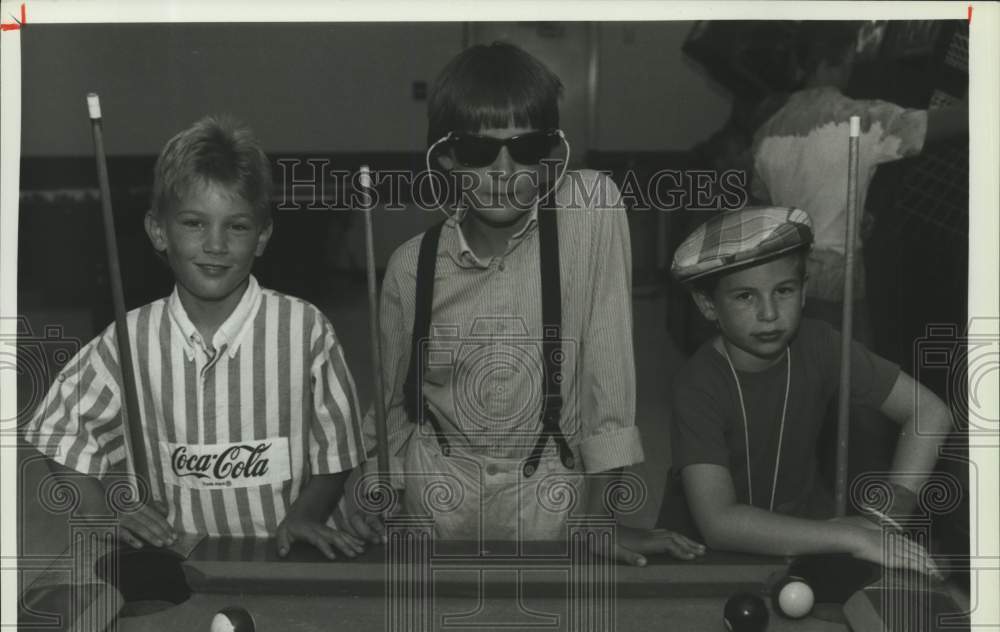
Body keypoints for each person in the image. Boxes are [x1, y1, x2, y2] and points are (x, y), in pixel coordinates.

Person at [349, 42, 703, 565]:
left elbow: (609, 376)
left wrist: (601, 516)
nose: (503, 169)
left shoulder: (591, 211)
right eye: (477, 151)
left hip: (550, 509)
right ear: (445, 157)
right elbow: (398, 402)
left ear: (549, 157)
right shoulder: (410, 266)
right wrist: (376, 484)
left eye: (526, 148)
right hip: (436, 511)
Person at [24, 116, 367, 559]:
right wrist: (99, 514)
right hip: (178, 563)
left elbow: (336, 451)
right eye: (194, 224)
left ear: (262, 236)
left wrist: (308, 514)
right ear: (158, 231)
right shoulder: (129, 340)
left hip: (287, 558)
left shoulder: (306, 330)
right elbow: (57, 430)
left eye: (237, 227)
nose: (216, 245)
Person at [656, 206, 952, 573]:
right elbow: (719, 523)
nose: (769, 313)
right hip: (697, 562)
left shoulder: (821, 344)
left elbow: (929, 412)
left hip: (802, 543)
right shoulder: (697, 384)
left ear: (804, 291)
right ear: (707, 304)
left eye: (783, 290)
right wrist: (854, 537)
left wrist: (886, 521)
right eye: (745, 296)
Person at [751, 21, 968, 344]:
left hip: (783, 280)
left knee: (801, 377)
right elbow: (956, 122)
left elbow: (764, 202)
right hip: (836, 284)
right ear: (836, 61)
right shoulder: (861, 119)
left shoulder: (766, 130)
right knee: (852, 384)